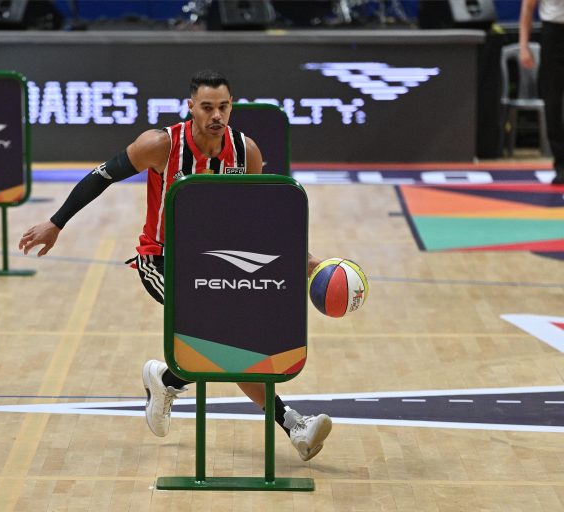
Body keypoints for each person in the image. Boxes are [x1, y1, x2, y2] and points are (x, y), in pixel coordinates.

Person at [19, 70, 332, 461]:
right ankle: (294, 425)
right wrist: (56, 223)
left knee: (236, 339)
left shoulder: (245, 151)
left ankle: (167, 380)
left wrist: (302, 257)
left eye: (223, 107)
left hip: (214, 263)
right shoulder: (161, 145)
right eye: (207, 107)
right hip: (161, 260)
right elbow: (102, 176)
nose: (216, 115)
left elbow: (257, 218)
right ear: (190, 107)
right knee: (224, 333)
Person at [519, 0, 564, 185]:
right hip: (553, 33)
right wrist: (523, 46)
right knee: (553, 102)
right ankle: (561, 164)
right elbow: (528, 7)